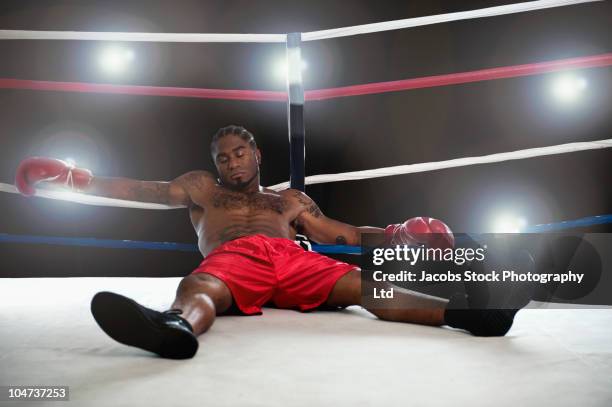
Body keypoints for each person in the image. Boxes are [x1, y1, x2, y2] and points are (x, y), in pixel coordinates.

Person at [15, 125, 528, 359]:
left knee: (366, 287)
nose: (232, 163)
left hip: (293, 258)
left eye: (240, 153)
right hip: (233, 260)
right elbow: (142, 191)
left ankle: (469, 315)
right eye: (223, 157)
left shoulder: (288, 201)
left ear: (256, 155)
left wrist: (400, 236)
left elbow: (342, 234)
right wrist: (74, 179)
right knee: (200, 284)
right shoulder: (201, 189)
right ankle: (175, 329)